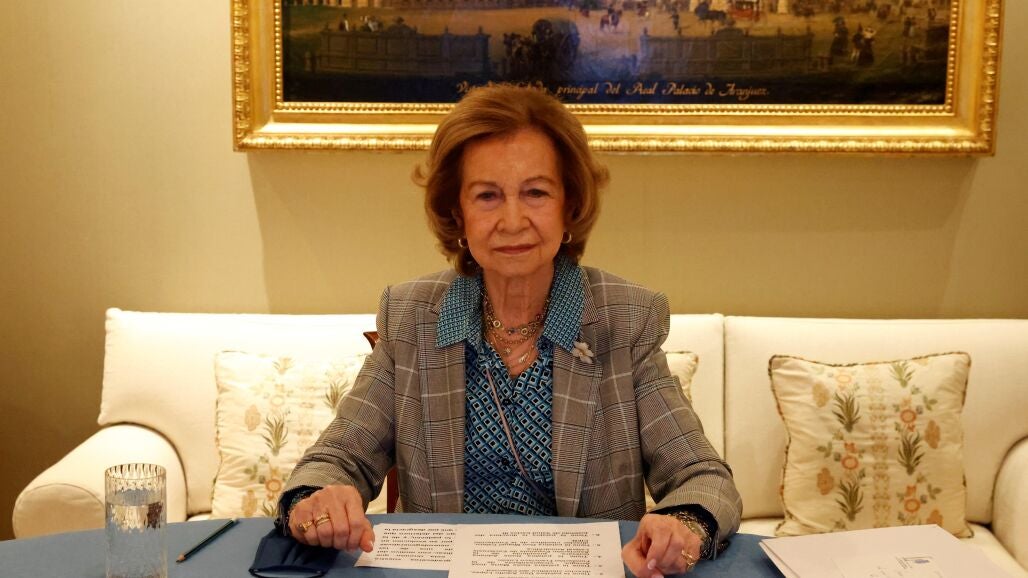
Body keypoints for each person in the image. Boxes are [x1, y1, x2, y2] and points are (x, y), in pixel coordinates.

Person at [277, 84, 742, 577]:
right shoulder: (413, 317)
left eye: (536, 193)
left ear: (569, 206)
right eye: (488, 196)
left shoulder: (624, 319)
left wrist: (683, 525)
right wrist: (315, 499)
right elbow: (337, 458)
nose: (513, 220)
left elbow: (702, 477)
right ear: (457, 213)